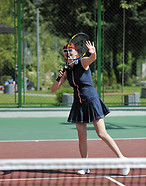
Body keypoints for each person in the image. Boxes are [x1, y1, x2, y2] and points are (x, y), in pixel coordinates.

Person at [52, 41, 130, 176]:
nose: (68, 53)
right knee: (82, 137)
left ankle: (123, 159)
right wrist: (58, 78)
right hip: (78, 103)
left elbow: (92, 58)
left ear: (76, 53)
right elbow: (54, 89)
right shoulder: (66, 70)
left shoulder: (82, 62)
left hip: (91, 100)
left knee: (101, 133)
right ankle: (85, 166)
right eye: (66, 51)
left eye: (70, 50)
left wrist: (93, 52)